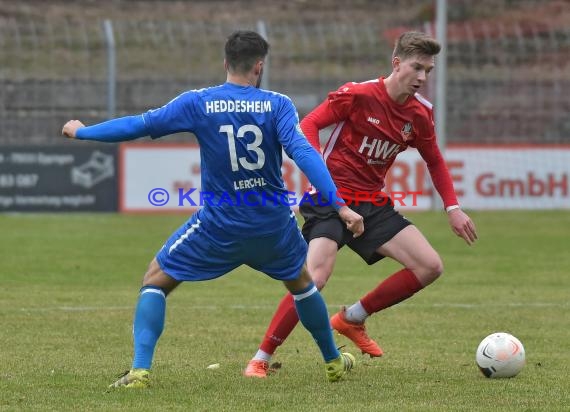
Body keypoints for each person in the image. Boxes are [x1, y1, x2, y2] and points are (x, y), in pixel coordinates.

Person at [61, 30, 365, 387]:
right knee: (302, 284)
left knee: (155, 280)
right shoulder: (277, 104)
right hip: (272, 225)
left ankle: (141, 371)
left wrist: (83, 132)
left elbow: (138, 125)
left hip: (219, 225)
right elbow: (304, 154)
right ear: (259, 66)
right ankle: (332, 361)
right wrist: (340, 205)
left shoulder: (199, 102)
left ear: (225, 63)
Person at [244, 31, 478, 378]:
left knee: (429, 266)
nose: (422, 78)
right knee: (314, 278)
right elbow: (308, 125)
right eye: (416, 68)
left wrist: (452, 208)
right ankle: (261, 358)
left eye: (428, 70)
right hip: (329, 200)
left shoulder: (419, 114)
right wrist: (319, 174)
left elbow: (435, 160)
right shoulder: (357, 95)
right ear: (396, 64)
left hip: (371, 204)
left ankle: (352, 318)